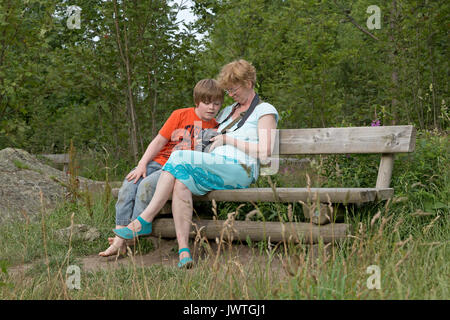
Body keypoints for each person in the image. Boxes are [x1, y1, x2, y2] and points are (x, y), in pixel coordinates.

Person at [113, 59, 279, 268]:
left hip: (240, 169)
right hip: (214, 165)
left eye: (233, 89)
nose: (230, 94)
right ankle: (184, 252)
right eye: (227, 90)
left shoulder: (264, 110)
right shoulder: (227, 111)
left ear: (248, 82)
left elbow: (265, 152)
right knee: (181, 182)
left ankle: (143, 220)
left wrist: (228, 140)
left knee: (179, 157)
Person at [99, 79, 224, 257]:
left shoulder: (216, 128)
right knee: (129, 183)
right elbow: (159, 141)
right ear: (197, 101)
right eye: (206, 102)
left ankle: (126, 239)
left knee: (146, 186)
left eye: (216, 104)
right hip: (157, 162)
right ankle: (120, 234)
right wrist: (142, 164)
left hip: (173, 171)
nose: (211, 107)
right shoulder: (180, 115)